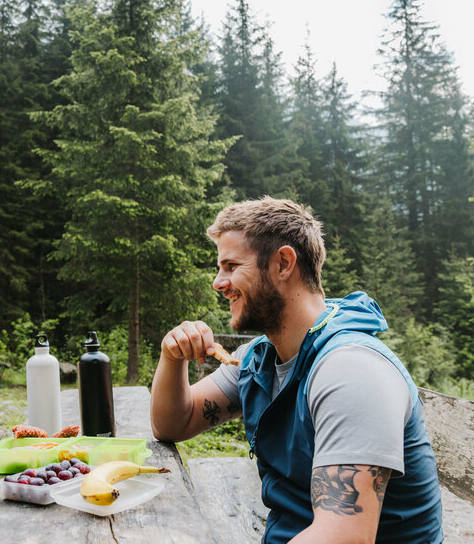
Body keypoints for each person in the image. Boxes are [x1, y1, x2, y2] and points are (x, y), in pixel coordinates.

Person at [150, 197, 443, 543]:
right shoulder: (261, 359)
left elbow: (345, 537)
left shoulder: (351, 371)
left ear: (284, 263)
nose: (219, 282)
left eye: (231, 266)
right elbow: (173, 424)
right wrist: (172, 357)